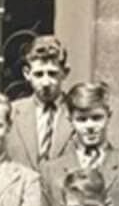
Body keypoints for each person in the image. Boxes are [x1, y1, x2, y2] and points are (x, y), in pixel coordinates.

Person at [4, 34, 72, 171]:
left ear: (65, 72)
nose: (46, 82)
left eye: (52, 74)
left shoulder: (79, 112)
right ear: (27, 73)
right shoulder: (11, 113)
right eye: (39, 74)